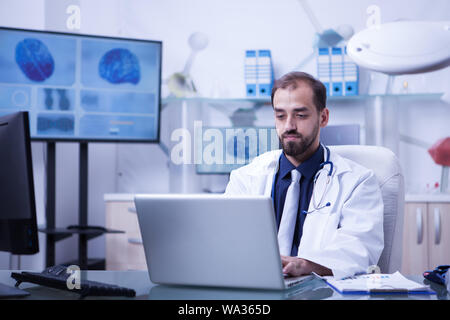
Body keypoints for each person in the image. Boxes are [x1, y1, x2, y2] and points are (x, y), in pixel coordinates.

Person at [225, 71, 384, 279]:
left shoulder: (357, 181)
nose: (289, 126)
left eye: (300, 115)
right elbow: (227, 241)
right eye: (280, 115)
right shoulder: (245, 178)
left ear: (323, 117)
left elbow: (360, 249)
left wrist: (305, 265)